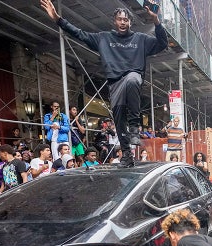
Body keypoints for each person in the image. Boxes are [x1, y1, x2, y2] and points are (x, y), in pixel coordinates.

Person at [41, 0, 168, 168]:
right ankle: (127, 155)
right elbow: (79, 33)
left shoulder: (141, 39)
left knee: (132, 79)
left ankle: (135, 127)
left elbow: (163, 43)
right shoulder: (104, 38)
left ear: (130, 21)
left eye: (126, 19)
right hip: (115, 84)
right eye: (120, 19)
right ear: (114, 21)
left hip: (133, 78)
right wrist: (58, 19)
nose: (123, 22)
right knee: (119, 119)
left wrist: (156, 20)